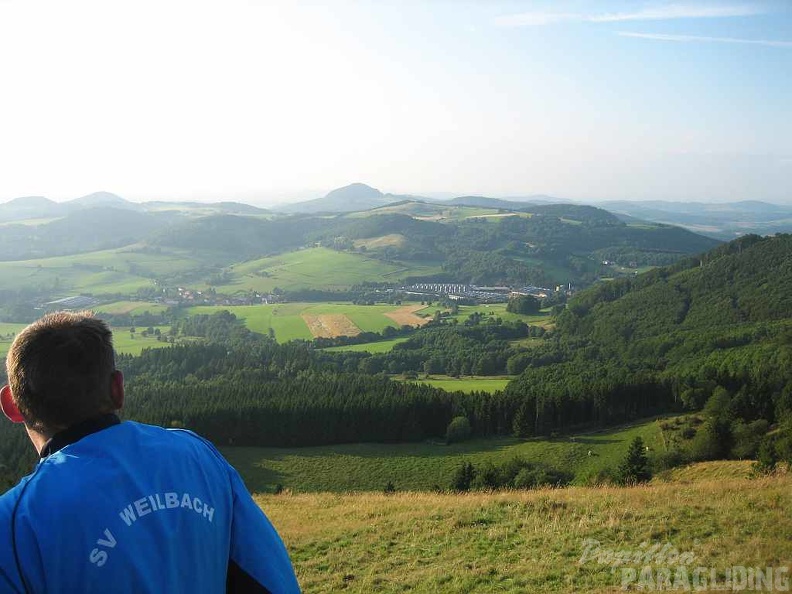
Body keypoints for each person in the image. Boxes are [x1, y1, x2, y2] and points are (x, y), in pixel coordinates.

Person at [0, 311, 301, 593]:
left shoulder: (13, 523)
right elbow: (271, 580)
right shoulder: (196, 455)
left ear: (11, 406)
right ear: (117, 389)